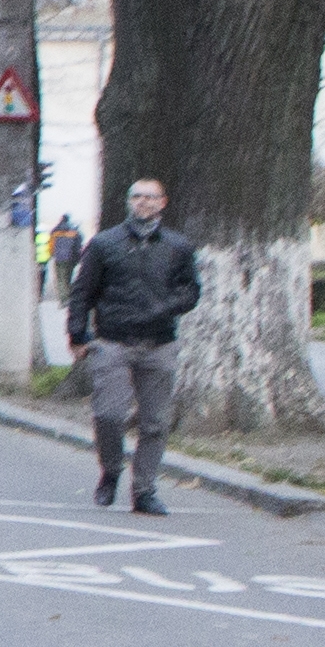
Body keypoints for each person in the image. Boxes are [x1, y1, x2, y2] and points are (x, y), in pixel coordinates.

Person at [65, 175, 201, 513]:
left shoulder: (178, 247)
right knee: (108, 414)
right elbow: (82, 292)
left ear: (163, 203)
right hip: (112, 341)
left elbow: (191, 291)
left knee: (154, 422)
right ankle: (111, 470)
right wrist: (77, 334)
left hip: (159, 343)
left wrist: (165, 307)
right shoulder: (104, 244)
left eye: (151, 197)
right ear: (129, 202)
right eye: (137, 197)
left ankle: (144, 491)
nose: (144, 203)